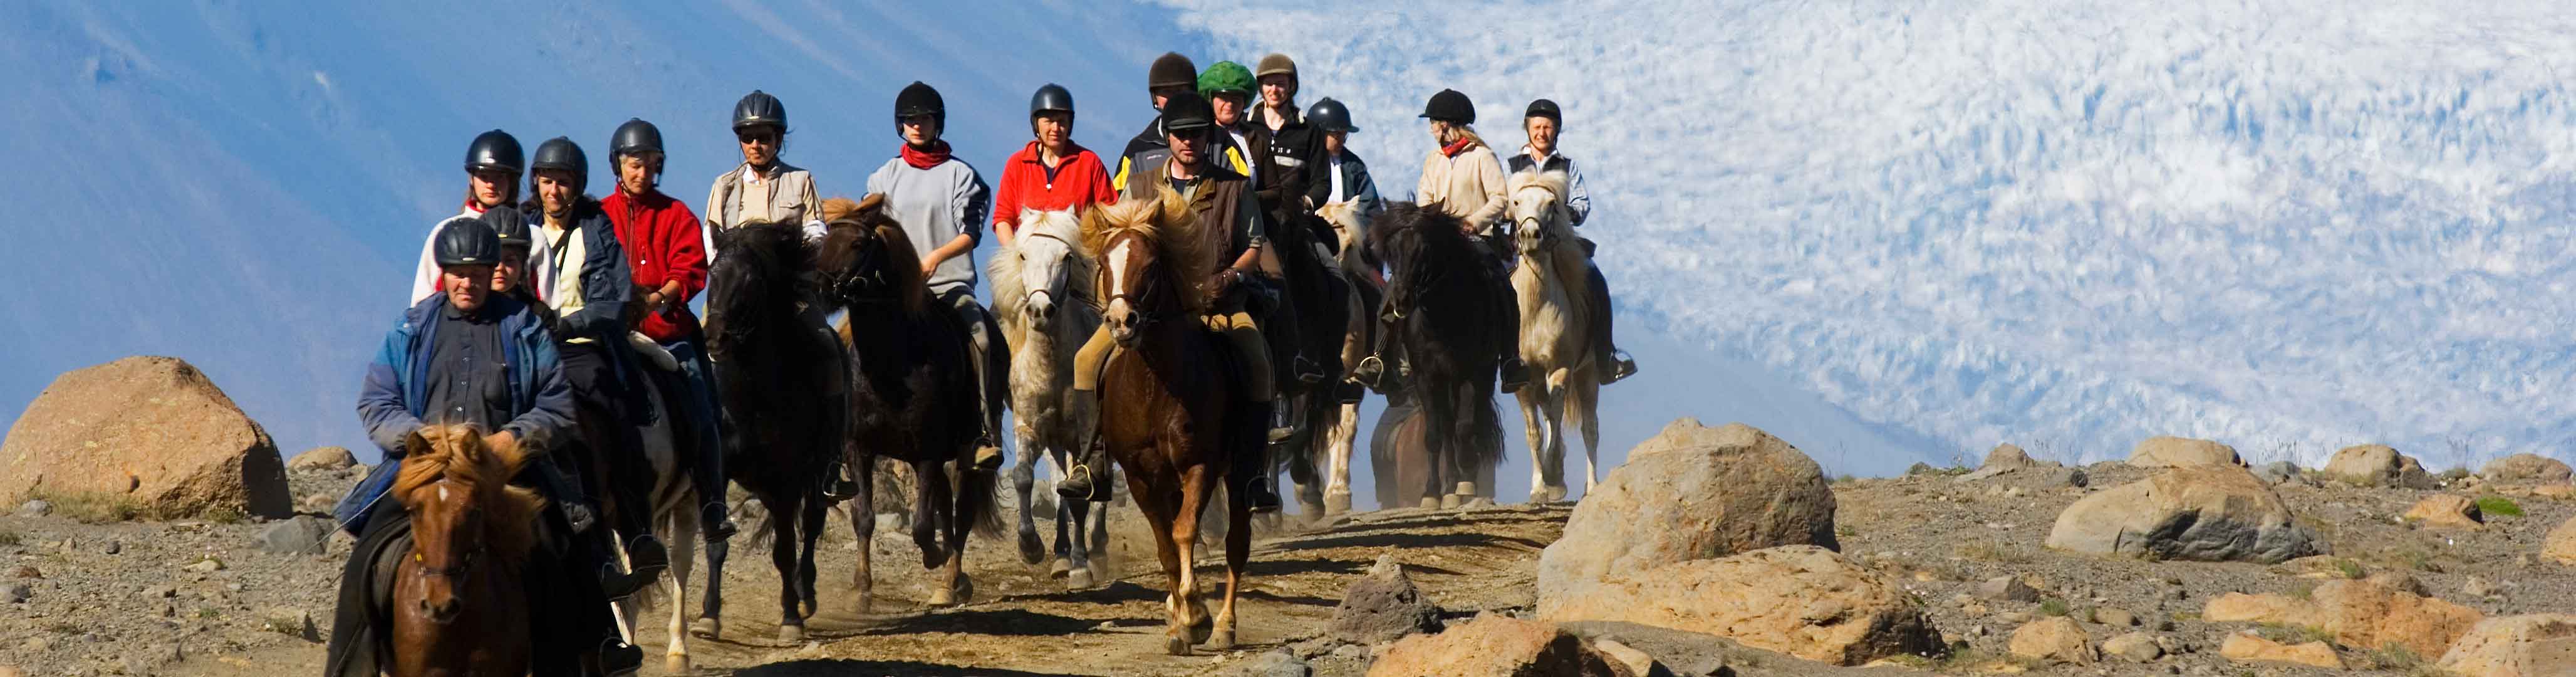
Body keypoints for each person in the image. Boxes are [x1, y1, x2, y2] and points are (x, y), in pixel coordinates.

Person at [327, 218, 643, 677]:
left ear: (493, 272)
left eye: (477, 273)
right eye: (458, 272)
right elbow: (377, 400)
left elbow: (555, 404)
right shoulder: (412, 328)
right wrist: (417, 439)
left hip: (502, 472)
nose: (467, 282)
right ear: (444, 273)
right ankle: (347, 667)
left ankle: (583, 654)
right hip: (425, 471)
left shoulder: (522, 329)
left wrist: (507, 441)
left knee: (560, 551)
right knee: (367, 555)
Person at [1061, 90, 1285, 513]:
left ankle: (1253, 472)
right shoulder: (1142, 186)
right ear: (1168, 136)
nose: (1189, 142)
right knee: (1085, 361)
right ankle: (1093, 465)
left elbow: (1255, 244)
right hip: (1152, 311)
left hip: (1217, 305)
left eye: (1197, 134)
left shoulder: (1234, 188)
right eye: (1181, 134)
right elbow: (1120, 239)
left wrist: (1231, 275)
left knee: (1257, 358)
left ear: (1208, 137)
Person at [600, 118, 756, 514]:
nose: (642, 172)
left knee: (702, 405)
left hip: (668, 331)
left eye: (651, 164)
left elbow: (690, 271)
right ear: (617, 165)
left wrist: (656, 299)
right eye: (634, 164)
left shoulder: (676, 214)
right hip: (611, 332)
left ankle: (712, 501)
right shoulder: (598, 217)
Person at [864, 81, 1007, 472]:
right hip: (893, 292)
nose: (916, 126)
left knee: (980, 339)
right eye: (909, 120)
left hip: (948, 286)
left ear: (937, 123)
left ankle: (981, 431)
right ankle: (842, 438)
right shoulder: (882, 178)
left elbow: (971, 233)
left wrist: (934, 259)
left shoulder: (963, 176)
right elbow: (871, 231)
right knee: (845, 345)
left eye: (924, 119)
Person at [1353, 89, 1529, 391]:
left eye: (1434, 123)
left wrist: (1473, 222)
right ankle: (1379, 357)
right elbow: (1425, 201)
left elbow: (1501, 198)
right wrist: (1429, 224)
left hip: (1474, 239)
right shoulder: (1433, 160)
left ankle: (1510, 359)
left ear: (1448, 124)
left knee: (1501, 283)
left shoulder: (1482, 157)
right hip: (1437, 241)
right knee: (1398, 283)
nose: (1432, 130)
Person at [1506, 100, 1636, 383]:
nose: (1542, 132)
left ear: (1557, 131)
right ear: (1527, 128)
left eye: (1548, 127)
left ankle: (1606, 357)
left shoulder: (1568, 166)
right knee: (1491, 285)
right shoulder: (1512, 166)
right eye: (1537, 126)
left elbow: (1581, 202)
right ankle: (1501, 359)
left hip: (1559, 243)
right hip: (1519, 246)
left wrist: (1566, 213)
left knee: (1595, 279)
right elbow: (1503, 202)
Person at [992, 83, 1117, 248]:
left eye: (1062, 122)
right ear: (1036, 124)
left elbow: (1109, 215)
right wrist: (1015, 256)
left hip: (1076, 260)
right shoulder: (1017, 164)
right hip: (1028, 261)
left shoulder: (1089, 162)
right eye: (1049, 122)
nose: (1056, 128)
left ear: (1070, 124)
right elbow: (1003, 219)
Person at [409, 130, 523, 303]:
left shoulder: (530, 235)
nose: (491, 185)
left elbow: (546, 302)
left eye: (499, 177)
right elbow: (423, 298)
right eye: (484, 176)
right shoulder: (446, 232)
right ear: (472, 179)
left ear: (512, 181)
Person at [703, 90, 826, 249]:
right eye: (747, 138)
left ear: (779, 138)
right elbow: (711, 241)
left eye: (763, 138)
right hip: (739, 271)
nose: (755, 145)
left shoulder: (801, 180)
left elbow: (816, 234)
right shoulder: (724, 186)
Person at [1114, 52, 1198, 193]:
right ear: (1155, 98)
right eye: (1167, 92)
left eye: (1180, 91)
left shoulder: (1218, 140)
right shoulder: (1137, 150)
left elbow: (1238, 192)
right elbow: (1118, 200)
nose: (1174, 99)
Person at [1303, 98, 1383, 221]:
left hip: (1346, 230)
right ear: (1320, 133)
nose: (1343, 140)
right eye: (1338, 135)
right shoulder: (1299, 162)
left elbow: (1371, 211)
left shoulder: (1354, 166)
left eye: (1345, 135)